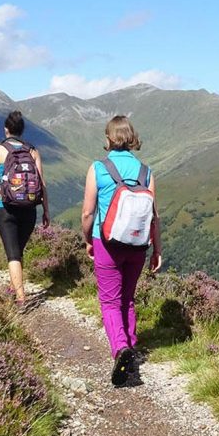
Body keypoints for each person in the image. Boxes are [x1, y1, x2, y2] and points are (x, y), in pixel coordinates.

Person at [81, 115, 162, 386]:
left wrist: (88, 240)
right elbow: (154, 215)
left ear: (108, 138)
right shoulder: (145, 171)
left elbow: (87, 212)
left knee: (109, 301)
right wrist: (157, 249)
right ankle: (130, 345)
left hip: (107, 243)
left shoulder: (98, 168)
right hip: (138, 245)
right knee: (127, 299)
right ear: (131, 137)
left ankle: (121, 349)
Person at [0, 110, 50, 310]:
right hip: (29, 209)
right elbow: (42, 185)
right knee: (18, 251)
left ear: (6, 129)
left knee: (12, 254)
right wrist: (46, 211)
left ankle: (20, 298)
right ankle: (13, 286)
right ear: (22, 130)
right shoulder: (33, 152)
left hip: (6, 208)